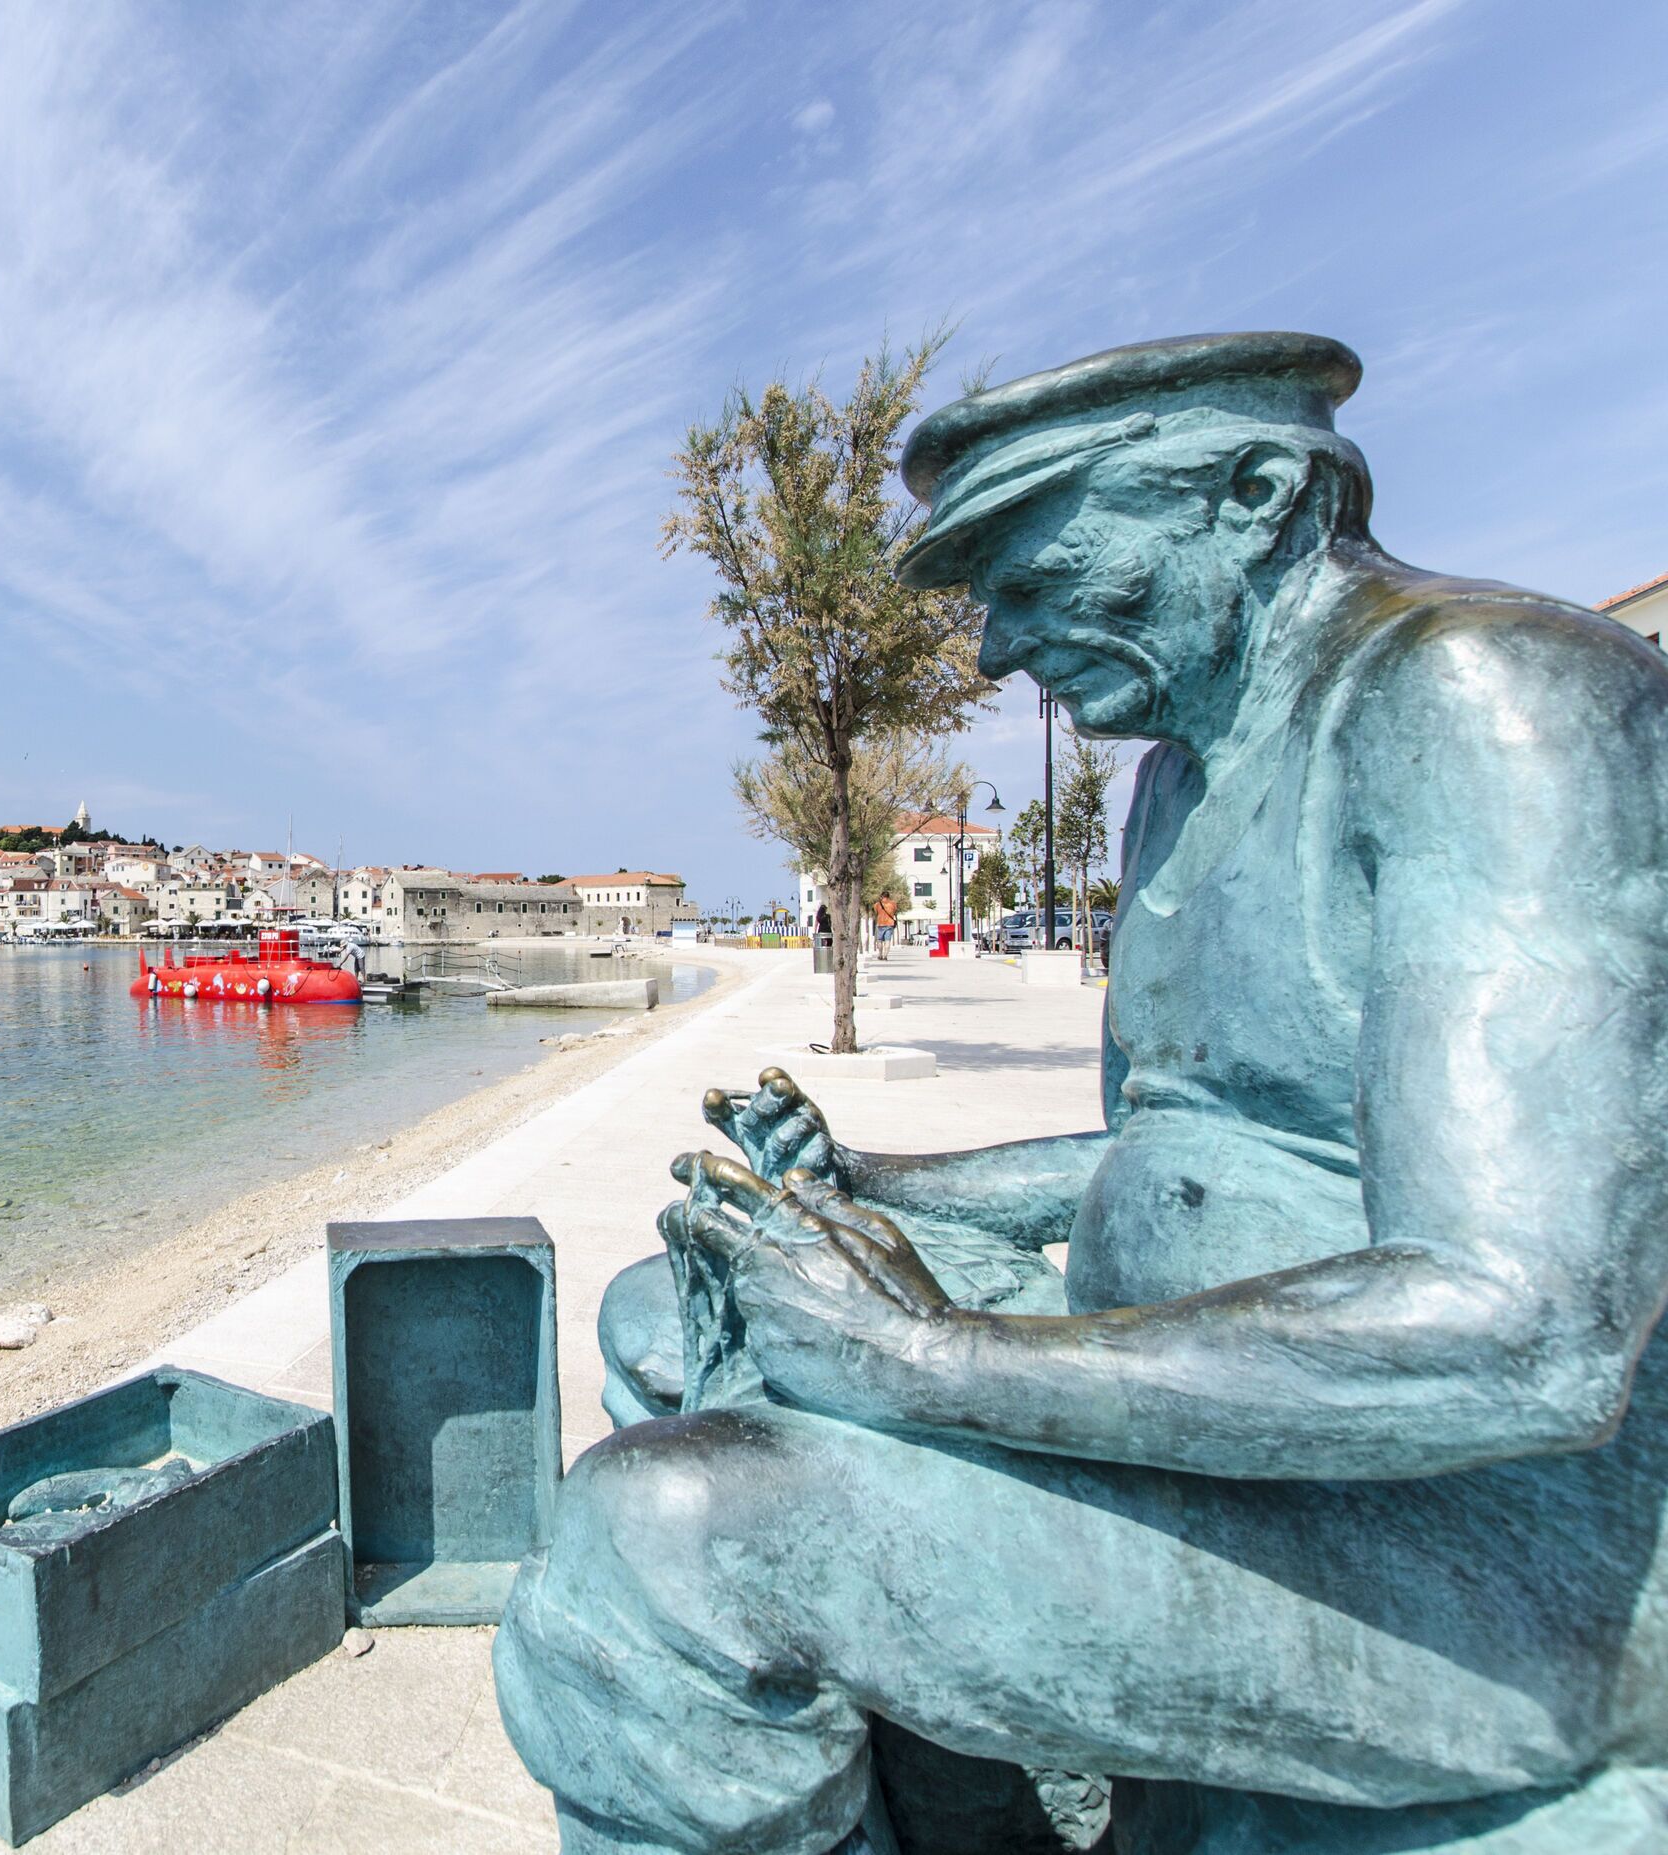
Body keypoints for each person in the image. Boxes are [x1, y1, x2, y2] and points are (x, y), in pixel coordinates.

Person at [496, 333, 1668, 1854]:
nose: (991, 649)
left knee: (654, 1541)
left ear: (1255, 495)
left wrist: (926, 1360)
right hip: (1251, 1446)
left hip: (1478, 1546)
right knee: (670, 1317)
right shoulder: (1180, 772)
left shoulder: (1481, 700)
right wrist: (870, 1190)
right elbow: (1172, 1148)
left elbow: (1531, 1333)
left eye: (1035, 574)